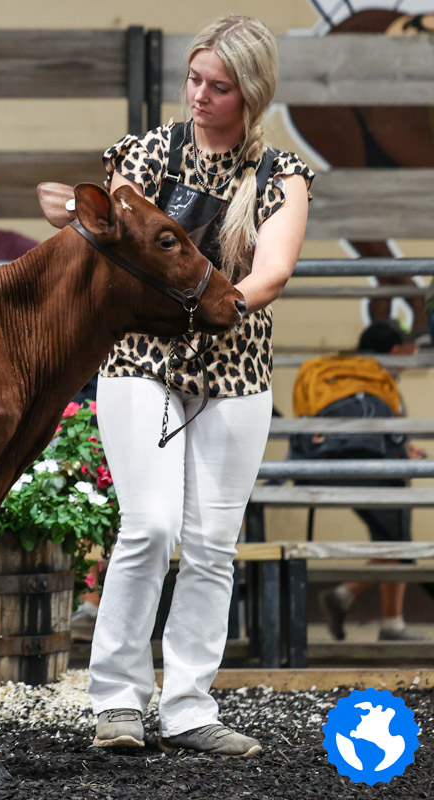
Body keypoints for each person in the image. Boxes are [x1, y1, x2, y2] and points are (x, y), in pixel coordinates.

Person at [86, 16, 313, 757]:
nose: (200, 97)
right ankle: (118, 701)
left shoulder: (280, 175)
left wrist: (222, 308)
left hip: (235, 366)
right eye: (194, 81)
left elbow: (272, 270)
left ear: (251, 93)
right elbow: (118, 240)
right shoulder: (149, 151)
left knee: (214, 544)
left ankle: (188, 707)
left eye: (218, 87)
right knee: (149, 526)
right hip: (140, 357)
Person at [317, 322, 427, 642]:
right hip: (371, 473)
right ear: (395, 352)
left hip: (330, 466)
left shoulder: (343, 376)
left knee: (390, 540)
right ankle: (379, 615)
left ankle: (346, 598)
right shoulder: (377, 381)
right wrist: (403, 456)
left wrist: (402, 451)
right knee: (396, 540)